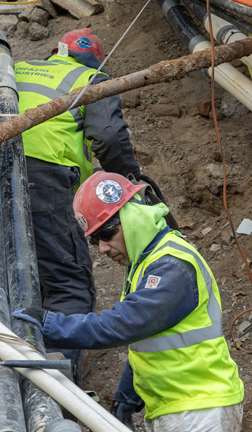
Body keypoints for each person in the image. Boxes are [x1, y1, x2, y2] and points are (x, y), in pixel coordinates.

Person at [13, 172, 244, 432]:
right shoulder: (147, 262)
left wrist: (48, 323)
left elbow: (123, 325)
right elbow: (154, 338)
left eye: (106, 234)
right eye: (94, 240)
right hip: (186, 402)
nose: (101, 249)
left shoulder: (172, 267)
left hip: (196, 410)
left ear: (132, 216)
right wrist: (128, 391)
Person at [15, 28, 157, 382]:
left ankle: (14, 358)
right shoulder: (89, 78)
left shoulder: (15, 68)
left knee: (11, 266)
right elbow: (108, 136)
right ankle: (59, 389)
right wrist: (127, 184)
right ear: (94, 58)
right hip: (45, 181)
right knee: (67, 279)